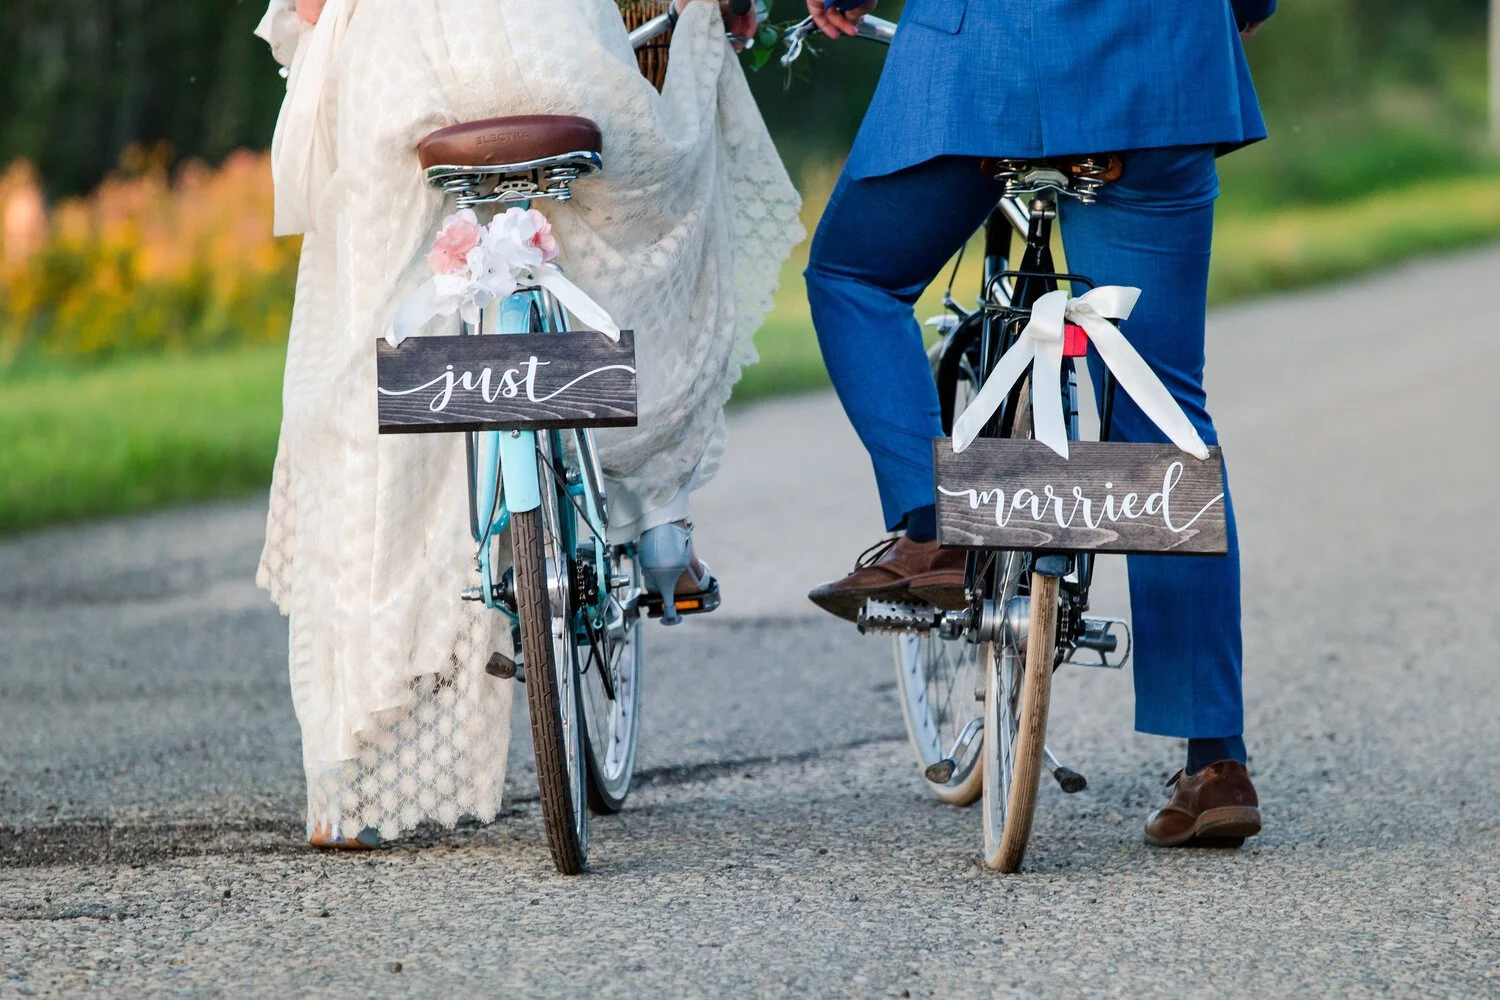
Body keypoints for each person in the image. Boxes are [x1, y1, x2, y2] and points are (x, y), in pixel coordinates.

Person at [253, 0, 801, 848]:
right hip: (550, 51)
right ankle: (657, 506)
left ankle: (353, 764)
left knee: (370, 346)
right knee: (641, 207)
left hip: (399, 78)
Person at [803, 0, 1275, 847]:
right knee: (1162, 404)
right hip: (1161, 68)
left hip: (979, 71)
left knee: (852, 278)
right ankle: (1216, 762)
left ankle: (934, 522)